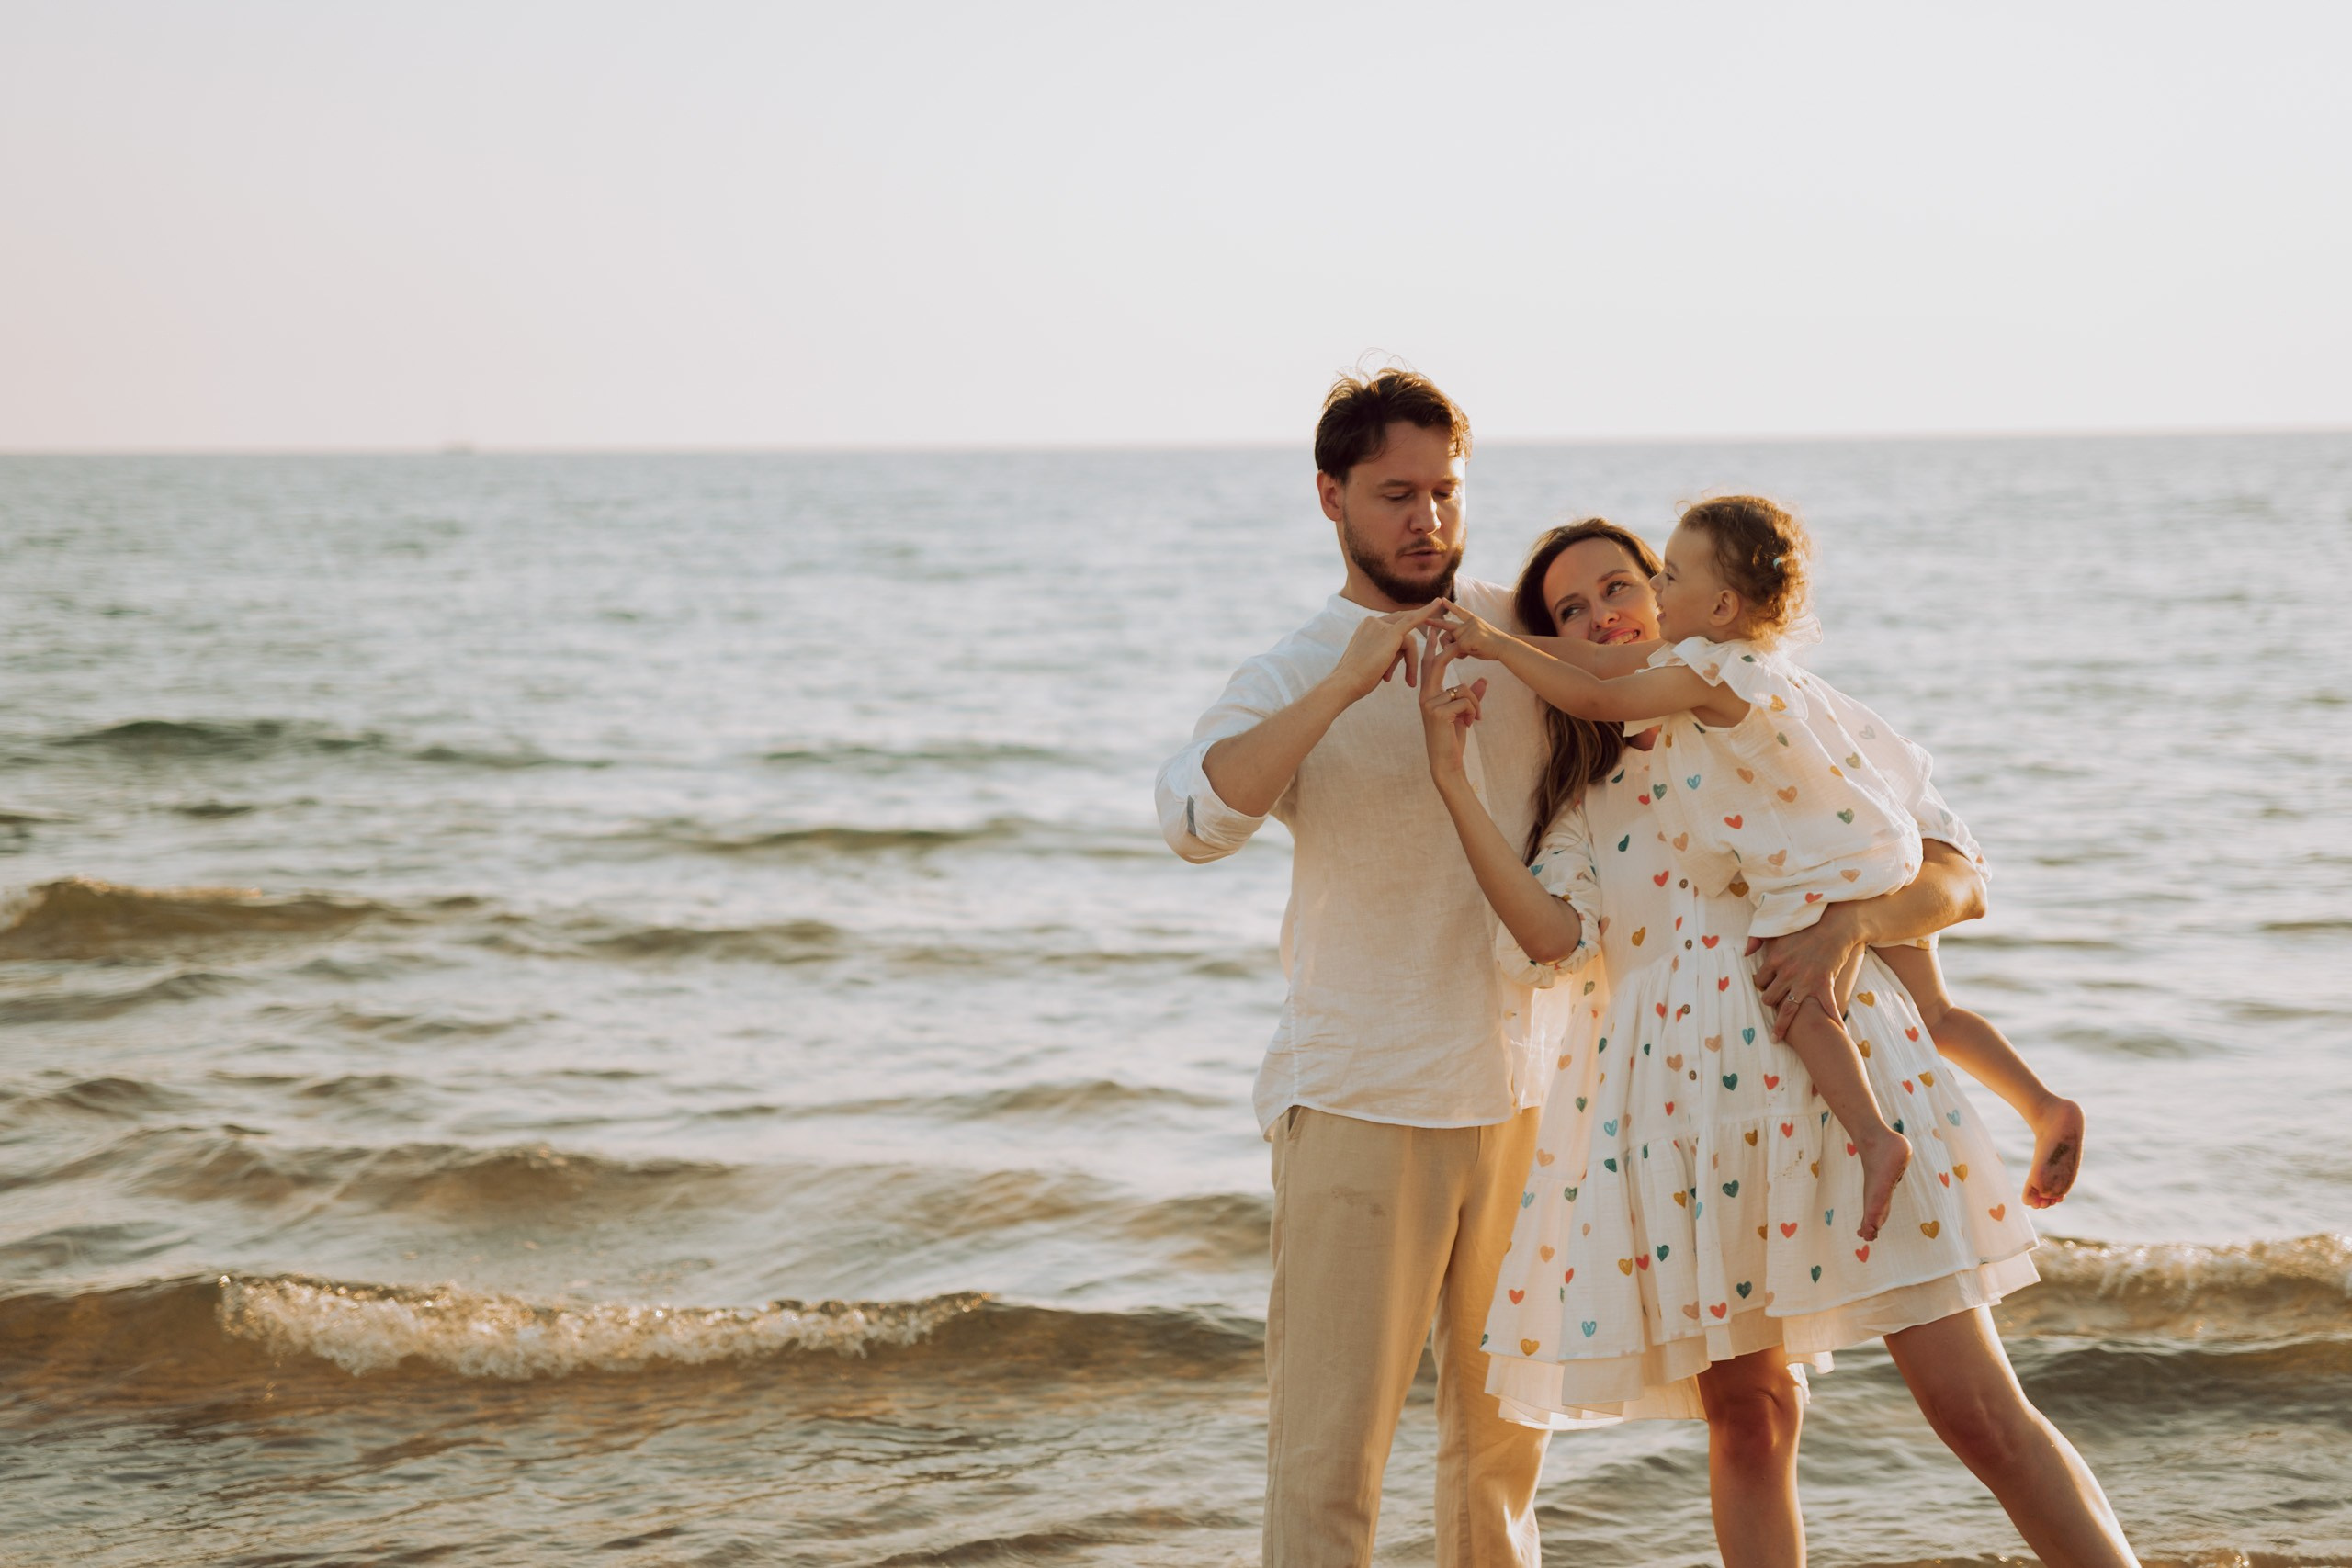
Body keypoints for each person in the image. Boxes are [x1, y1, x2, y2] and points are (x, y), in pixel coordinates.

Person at [1419, 518, 2138, 1568]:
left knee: (1973, 1411)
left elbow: (1953, 878)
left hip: (1846, 1102)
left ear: (1676, 597)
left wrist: (1847, 925)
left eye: (1618, 585)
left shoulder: (1767, 704)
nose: (1598, 615)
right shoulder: (1584, 798)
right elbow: (1547, 937)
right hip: (1687, 1137)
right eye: (1566, 612)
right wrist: (1451, 781)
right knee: (1747, 1421)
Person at [1154, 368, 1557, 1567]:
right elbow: (1191, 820)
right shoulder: (1293, 668)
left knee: (1501, 1461)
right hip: (1361, 1096)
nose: (1425, 517)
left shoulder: (1523, 635)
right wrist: (1343, 681)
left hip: (1529, 1094)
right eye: (1395, 494)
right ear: (1330, 496)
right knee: (1331, 1463)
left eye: (1445, 491)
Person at [1435, 497, 2084, 1238]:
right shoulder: (1762, 671)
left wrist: (1491, 643)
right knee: (1936, 1014)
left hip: (1822, 874)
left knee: (1806, 1010)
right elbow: (1599, 667)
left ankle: (1875, 1137)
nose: (1602, 618)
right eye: (1570, 610)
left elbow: (1596, 688)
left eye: (1633, 584)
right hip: (1871, 847)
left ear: (1708, 600)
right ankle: (2040, 1104)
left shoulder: (1703, 670)